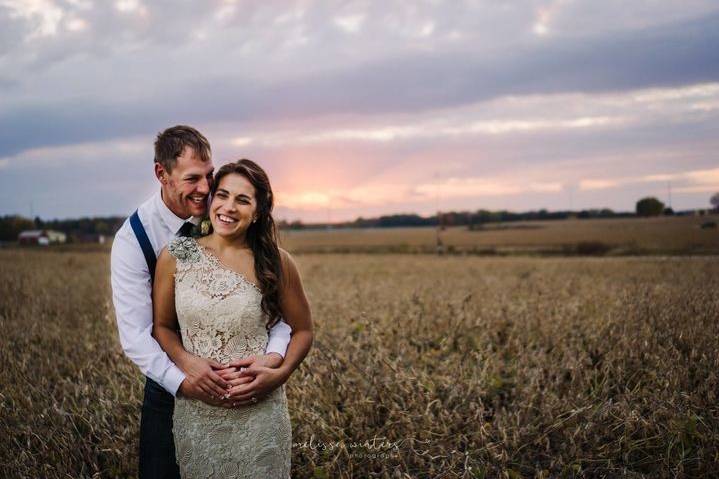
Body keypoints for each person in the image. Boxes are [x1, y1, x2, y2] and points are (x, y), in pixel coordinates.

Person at [110, 125, 293, 478]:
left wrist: (273, 361)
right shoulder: (134, 241)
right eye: (193, 178)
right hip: (170, 383)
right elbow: (137, 335)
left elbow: (275, 311)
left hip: (247, 385)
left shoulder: (223, 213)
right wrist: (184, 378)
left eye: (209, 176)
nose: (206, 189)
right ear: (161, 174)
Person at [152, 159, 313, 477]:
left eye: (243, 200)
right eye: (222, 195)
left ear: (258, 211)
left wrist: (280, 374)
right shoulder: (178, 254)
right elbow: (163, 327)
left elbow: (304, 331)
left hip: (261, 417)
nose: (228, 207)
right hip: (198, 415)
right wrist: (187, 361)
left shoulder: (277, 263)